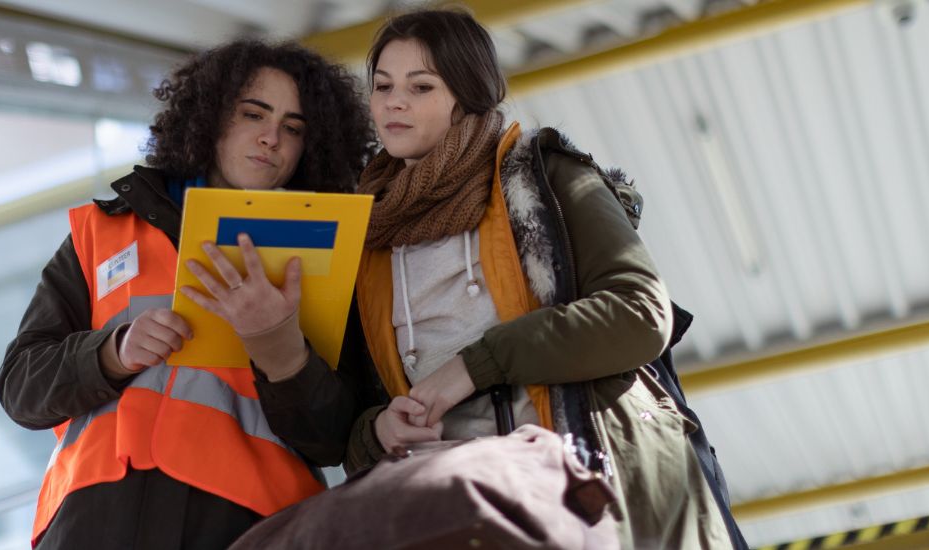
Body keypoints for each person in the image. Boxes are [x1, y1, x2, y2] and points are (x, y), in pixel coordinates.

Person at [188, 10, 748, 550]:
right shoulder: (361, 232)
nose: (394, 102)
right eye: (382, 87)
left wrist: (474, 367)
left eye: (421, 86)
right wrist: (380, 430)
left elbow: (641, 313)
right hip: (450, 505)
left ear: (467, 96)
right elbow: (338, 435)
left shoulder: (543, 176)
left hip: (583, 484)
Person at [0, 39, 375, 549]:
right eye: (253, 114)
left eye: (293, 128)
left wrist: (281, 351)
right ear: (210, 117)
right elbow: (20, 388)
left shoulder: (330, 255)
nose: (271, 138)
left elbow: (334, 439)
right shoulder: (102, 232)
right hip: (89, 520)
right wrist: (113, 353)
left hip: (246, 526)